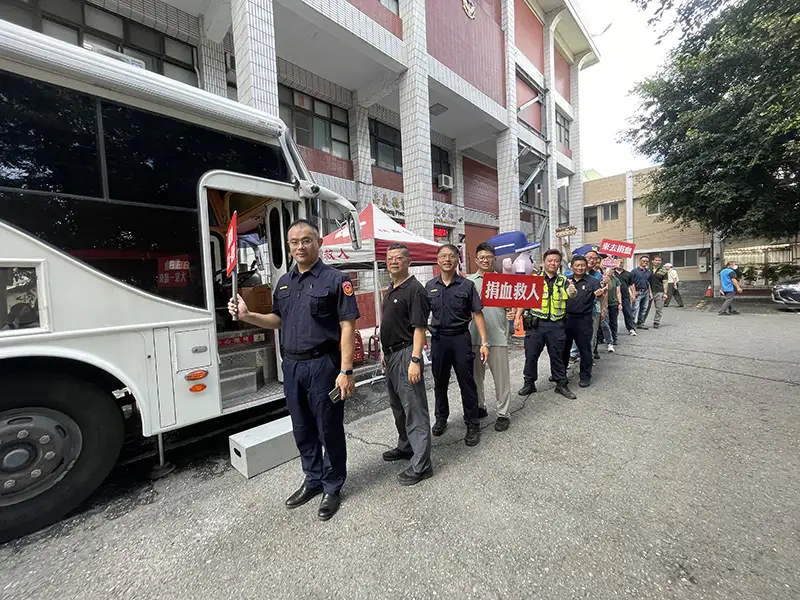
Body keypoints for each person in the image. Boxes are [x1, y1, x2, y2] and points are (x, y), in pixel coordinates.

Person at [229, 219, 359, 521]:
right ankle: (312, 479)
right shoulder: (284, 283)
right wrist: (249, 315)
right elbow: (278, 320)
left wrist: (346, 370)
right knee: (301, 427)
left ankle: (332, 485)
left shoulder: (336, 280)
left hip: (324, 366)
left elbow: (347, 326)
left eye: (306, 240)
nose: (300, 246)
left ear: (319, 243)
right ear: (288, 246)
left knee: (328, 428)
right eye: (293, 242)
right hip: (293, 366)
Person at [426, 244, 490, 446]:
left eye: (451, 256)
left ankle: (472, 424)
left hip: (461, 339)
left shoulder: (467, 285)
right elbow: (419, 317)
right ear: (437, 260)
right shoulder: (429, 286)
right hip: (438, 341)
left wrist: (484, 342)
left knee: (467, 382)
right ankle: (441, 418)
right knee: (440, 382)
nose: (447, 260)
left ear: (457, 260)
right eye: (443, 256)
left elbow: (477, 314)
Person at [380, 243, 433, 485]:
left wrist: (415, 359)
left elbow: (419, 328)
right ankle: (406, 447)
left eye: (399, 258)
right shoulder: (391, 288)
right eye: (390, 258)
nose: (393, 262)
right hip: (390, 355)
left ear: (408, 261)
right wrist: (383, 352)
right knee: (399, 408)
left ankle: (422, 465)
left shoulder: (415, 290)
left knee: (415, 410)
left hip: (406, 355)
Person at [515, 248, 578, 399]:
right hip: (536, 324)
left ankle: (561, 384)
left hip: (556, 325)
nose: (553, 263)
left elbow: (571, 295)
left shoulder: (564, 281)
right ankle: (529, 383)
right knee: (531, 355)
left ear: (559, 263)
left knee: (557, 356)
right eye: (550, 260)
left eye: (556, 261)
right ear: (543, 262)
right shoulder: (534, 279)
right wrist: (517, 316)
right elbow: (524, 299)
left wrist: (573, 293)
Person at [468, 243, 512, 432]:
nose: (485, 260)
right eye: (481, 257)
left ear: (494, 259)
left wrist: (512, 313)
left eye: (489, 257)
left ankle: (503, 413)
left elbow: (514, 305)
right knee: (476, 377)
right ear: (476, 260)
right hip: (473, 337)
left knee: (501, 378)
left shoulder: (504, 281)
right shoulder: (468, 282)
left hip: (498, 337)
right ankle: (480, 406)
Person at [562, 255, 602, 388]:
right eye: (577, 265)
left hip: (584, 319)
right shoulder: (565, 280)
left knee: (585, 349)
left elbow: (599, 295)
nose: (580, 268)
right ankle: (560, 374)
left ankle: (585, 376)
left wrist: (600, 294)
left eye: (583, 265)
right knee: (564, 348)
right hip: (566, 319)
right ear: (572, 266)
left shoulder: (593, 281)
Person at [584, 250, 606, 360]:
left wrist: (603, 309)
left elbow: (603, 294)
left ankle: (589, 357)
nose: (592, 260)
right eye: (589, 257)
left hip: (594, 308)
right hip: (576, 310)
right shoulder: (571, 273)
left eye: (594, 258)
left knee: (592, 334)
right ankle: (573, 356)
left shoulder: (598, 275)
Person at [643, 255, 668, 329]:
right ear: (652, 261)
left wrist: (665, 293)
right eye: (656, 260)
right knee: (645, 307)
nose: (658, 262)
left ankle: (656, 322)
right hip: (648, 291)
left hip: (659, 291)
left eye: (659, 260)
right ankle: (641, 321)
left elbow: (665, 282)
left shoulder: (663, 270)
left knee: (659, 307)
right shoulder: (648, 270)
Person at [602, 269, 622, 352]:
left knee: (613, 322)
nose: (610, 272)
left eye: (612, 270)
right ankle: (604, 338)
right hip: (604, 304)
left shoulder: (616, 280)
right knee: (605, 323)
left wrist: (620, 303)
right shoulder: (601, 278)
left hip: (613, 303)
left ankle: (614, 338)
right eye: (608, 270)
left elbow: (618, 292)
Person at [630, 256, 653, 330]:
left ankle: (640, 323)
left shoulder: (648, 272)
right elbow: (631, 283)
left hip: (645, 292)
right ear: (640, 261)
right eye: (643, 261)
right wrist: (633, 293)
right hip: (637, 292)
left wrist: (650, 293)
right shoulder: (634, 271)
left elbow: (648, 283)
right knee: (635, 308)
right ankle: (632, 324)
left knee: (644, 308)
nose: (645, 262)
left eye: (646, 261)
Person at [615, 264, 638, 335]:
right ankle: (613, 330)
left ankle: (631, 329)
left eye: (622, 262)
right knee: (613, 314)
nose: (620, 264)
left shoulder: (628, 274)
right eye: (618, 262)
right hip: (614, 297)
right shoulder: (611, 273)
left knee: (628, 313)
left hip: (625, 296)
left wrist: (633, 294)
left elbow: (632, 284)